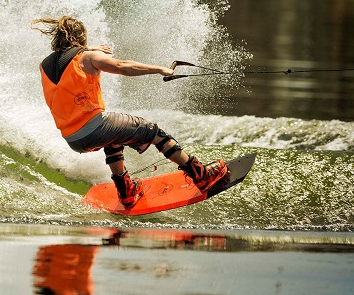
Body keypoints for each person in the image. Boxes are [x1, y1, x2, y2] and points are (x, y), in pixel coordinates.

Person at [31, 16, 228, 207]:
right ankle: (201, 175)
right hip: (95, 127)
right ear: (81, 38)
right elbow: (122, 67)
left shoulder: (45, 65)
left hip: (74, 139)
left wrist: (87, 49)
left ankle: (126, 192)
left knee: (114, 138)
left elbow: (65, 59)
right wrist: (159, 69)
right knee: (155, 132)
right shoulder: (88, 57)